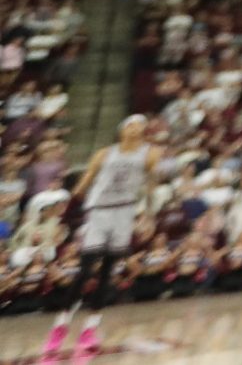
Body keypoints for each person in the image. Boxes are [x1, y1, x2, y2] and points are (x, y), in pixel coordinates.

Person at [47, 115, 154, 358]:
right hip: (99, 212)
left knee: (107, 272)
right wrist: (62, 220)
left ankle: (90, 328)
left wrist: (148, 214)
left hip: (125, 212)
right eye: (131, 124)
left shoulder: (149, 154)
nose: (135, 128)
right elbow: (83, 186)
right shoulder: (105, 154)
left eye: (140, 125)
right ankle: (60, 325)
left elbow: (150, 185)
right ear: (122, 129)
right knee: (86, 270)